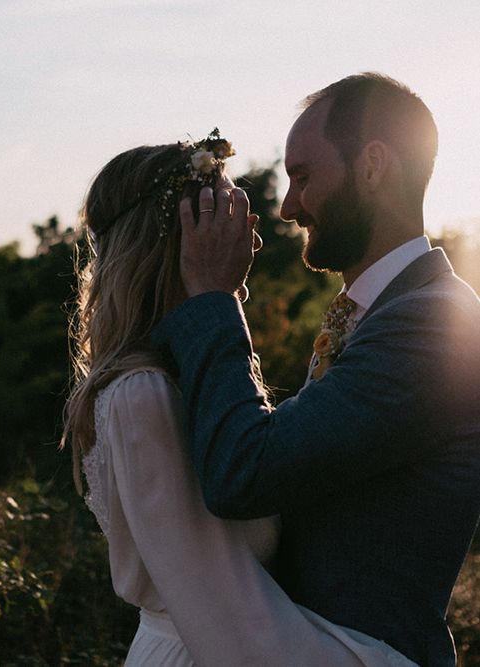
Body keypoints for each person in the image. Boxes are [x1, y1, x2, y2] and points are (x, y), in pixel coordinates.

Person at [151, 73, 480, 667]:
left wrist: (212, 302)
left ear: (373, 167)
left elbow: (243, 473)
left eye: (303, 178)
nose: (288, 206)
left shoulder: (435, 325)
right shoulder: (378, 312)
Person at [63, 130, 417, 665]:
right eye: (230, 215)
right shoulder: (145, 396)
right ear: (181, 239)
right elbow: (235, 625)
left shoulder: (175, 378)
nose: (253, 239)